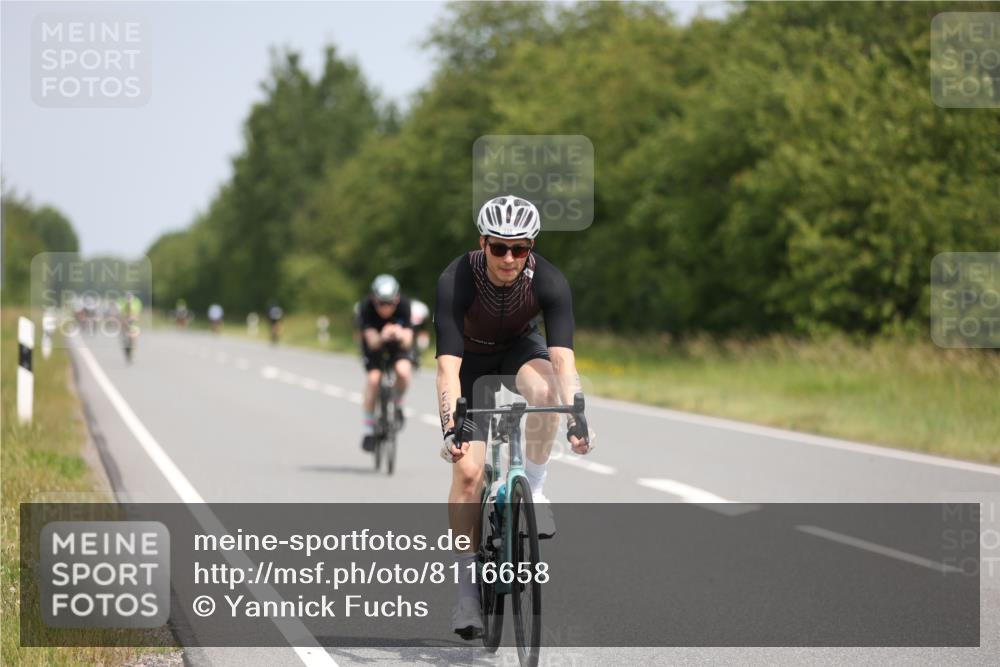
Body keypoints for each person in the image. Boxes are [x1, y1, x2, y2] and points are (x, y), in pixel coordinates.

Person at [434, 194, 592, 639]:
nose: (508, 258)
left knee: (547, 392)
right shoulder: (456, 279)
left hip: (520, 351)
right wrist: (451, 427)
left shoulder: (550, 281)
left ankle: (535, 488)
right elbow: (447, 367)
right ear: (482, 242)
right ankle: (466, 592)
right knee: (467, 474)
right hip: (469, 362)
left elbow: (564, 361)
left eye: (519, 248)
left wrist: (578, 416)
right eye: (499, 247)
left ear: (532, 248)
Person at [358, 275, 414, 452]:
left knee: (403, 372)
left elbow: (408, 341)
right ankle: (368, 430)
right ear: (374, 300)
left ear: (397, 299)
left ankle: (397, 402)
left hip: (397, 345)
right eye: (381, 303)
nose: (385, 308)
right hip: (375, 346)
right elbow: (372, 341)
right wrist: (382, 335)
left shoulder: (404, 305)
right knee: (374, 380)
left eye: (390, 303)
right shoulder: (365, 308)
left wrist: (398, 334)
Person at [409, 298, 431, 369]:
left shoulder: (422, 310)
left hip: (418, 329)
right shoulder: (409, 310)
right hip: (409, 327)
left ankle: (417, 357)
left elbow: (424, 329)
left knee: (421, 342)